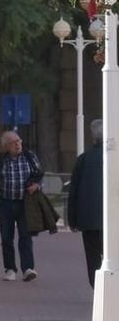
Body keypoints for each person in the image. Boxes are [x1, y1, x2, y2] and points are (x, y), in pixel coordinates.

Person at [0, 130, 44, 281]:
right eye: (13, 142)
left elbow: (39, 174)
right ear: (6, 146)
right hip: (5, 203)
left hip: (25, 203)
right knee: (6, 237)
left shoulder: (30, 157)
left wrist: (36, 185)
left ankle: (28, 268)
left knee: (25, 236)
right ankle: (10, 269)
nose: (18, 144)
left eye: (19, 141)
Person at [69, 119, 104, 285]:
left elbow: (74, 191)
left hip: (89, 218)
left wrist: (72, 219)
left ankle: (96, 286)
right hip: (111, 220)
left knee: (93, 256)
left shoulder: (83, 159)